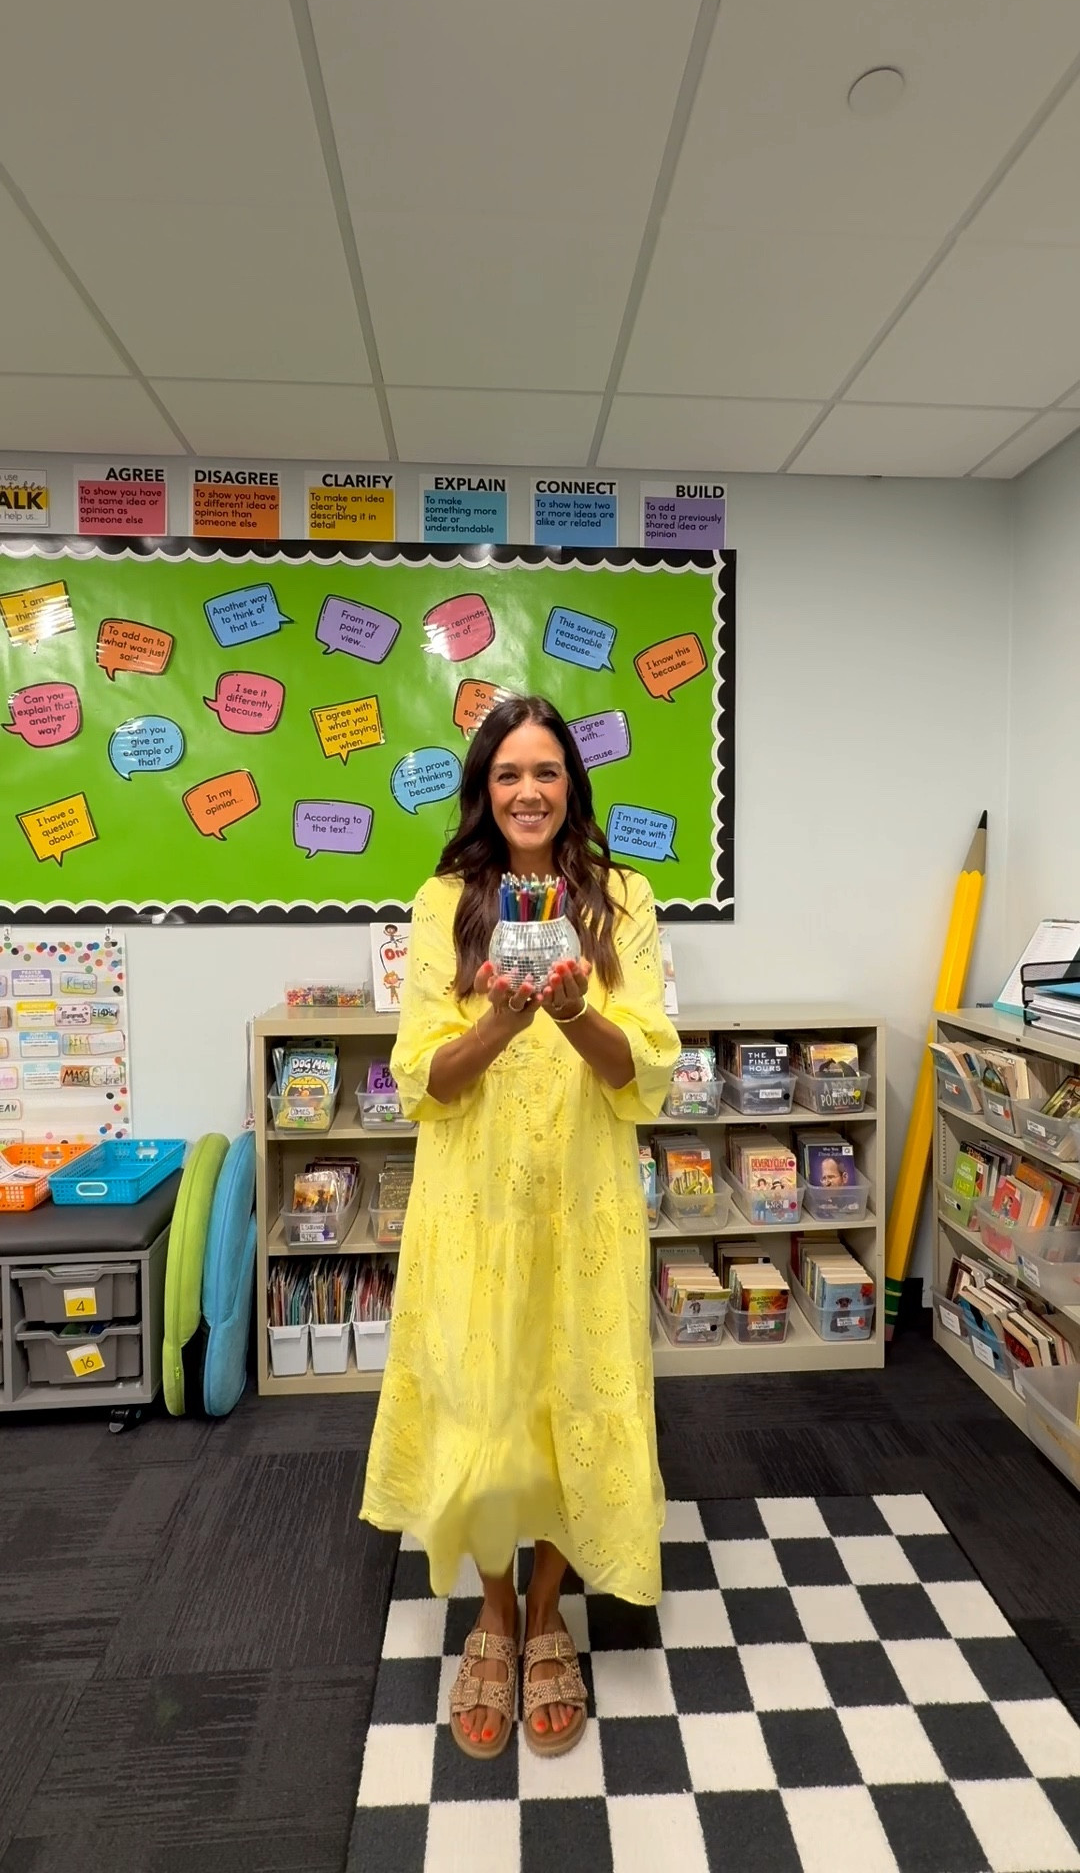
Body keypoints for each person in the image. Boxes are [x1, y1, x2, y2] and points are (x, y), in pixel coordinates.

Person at [361, 694, 680, 1760]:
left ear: (572, 788)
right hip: (476, 1205)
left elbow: (649, 1070)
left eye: (547, 773)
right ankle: (492, 1615)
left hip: (582, 1198)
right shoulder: (444, 899)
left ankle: (549, 1610)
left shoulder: (621, 899)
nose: (529, 792)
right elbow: (420, 1082)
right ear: (484, 792)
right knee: (489, 1402)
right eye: (508, 775)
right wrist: (499, 1017)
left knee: (570, 1397)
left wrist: (580, 1009)